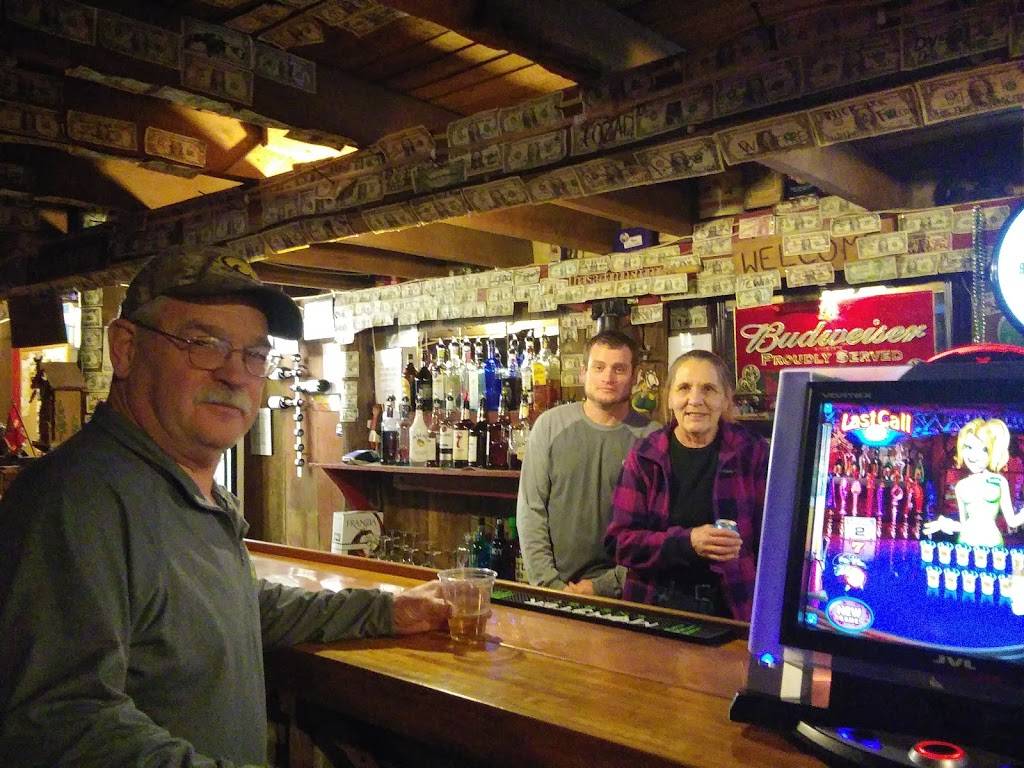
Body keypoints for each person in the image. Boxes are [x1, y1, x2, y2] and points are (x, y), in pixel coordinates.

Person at [0, 248, 450, 767]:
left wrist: (387, 610)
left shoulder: (185, 491)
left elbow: (236, 606)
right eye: (203, 344)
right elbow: (57, 724)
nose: (236, 375)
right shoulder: (75, 504)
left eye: (254, 354)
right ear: (125, 348)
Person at [605, 350, 769, 620]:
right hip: (654, 606)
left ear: (725, 398)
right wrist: (688, 542)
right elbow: (619, 543)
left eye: (708, 389)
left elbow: (772, 543)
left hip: (734, 607)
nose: (695, 400)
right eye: (684, 388)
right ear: (670, 397)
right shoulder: (645, 456)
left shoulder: (752, 452)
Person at [516, 330, 659, 597]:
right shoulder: (550, 425)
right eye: (599, 367)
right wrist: (550, 585)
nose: (608, 377)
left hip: (627, 595)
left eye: (619, 369)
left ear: (635, 376)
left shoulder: (653, 438)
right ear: (583, 373)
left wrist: (603, 586)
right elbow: (531, 511)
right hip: (554, 591)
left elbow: (655, 532)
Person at [923, 417, 1024, 547]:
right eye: (969, 447)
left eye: (984, 449)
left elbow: (1012, 521)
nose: (974, 455)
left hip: (993, 545)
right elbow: (964, 525)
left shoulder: (999, 481)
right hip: (965, 544)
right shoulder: (961, 486)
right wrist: (948, 524)